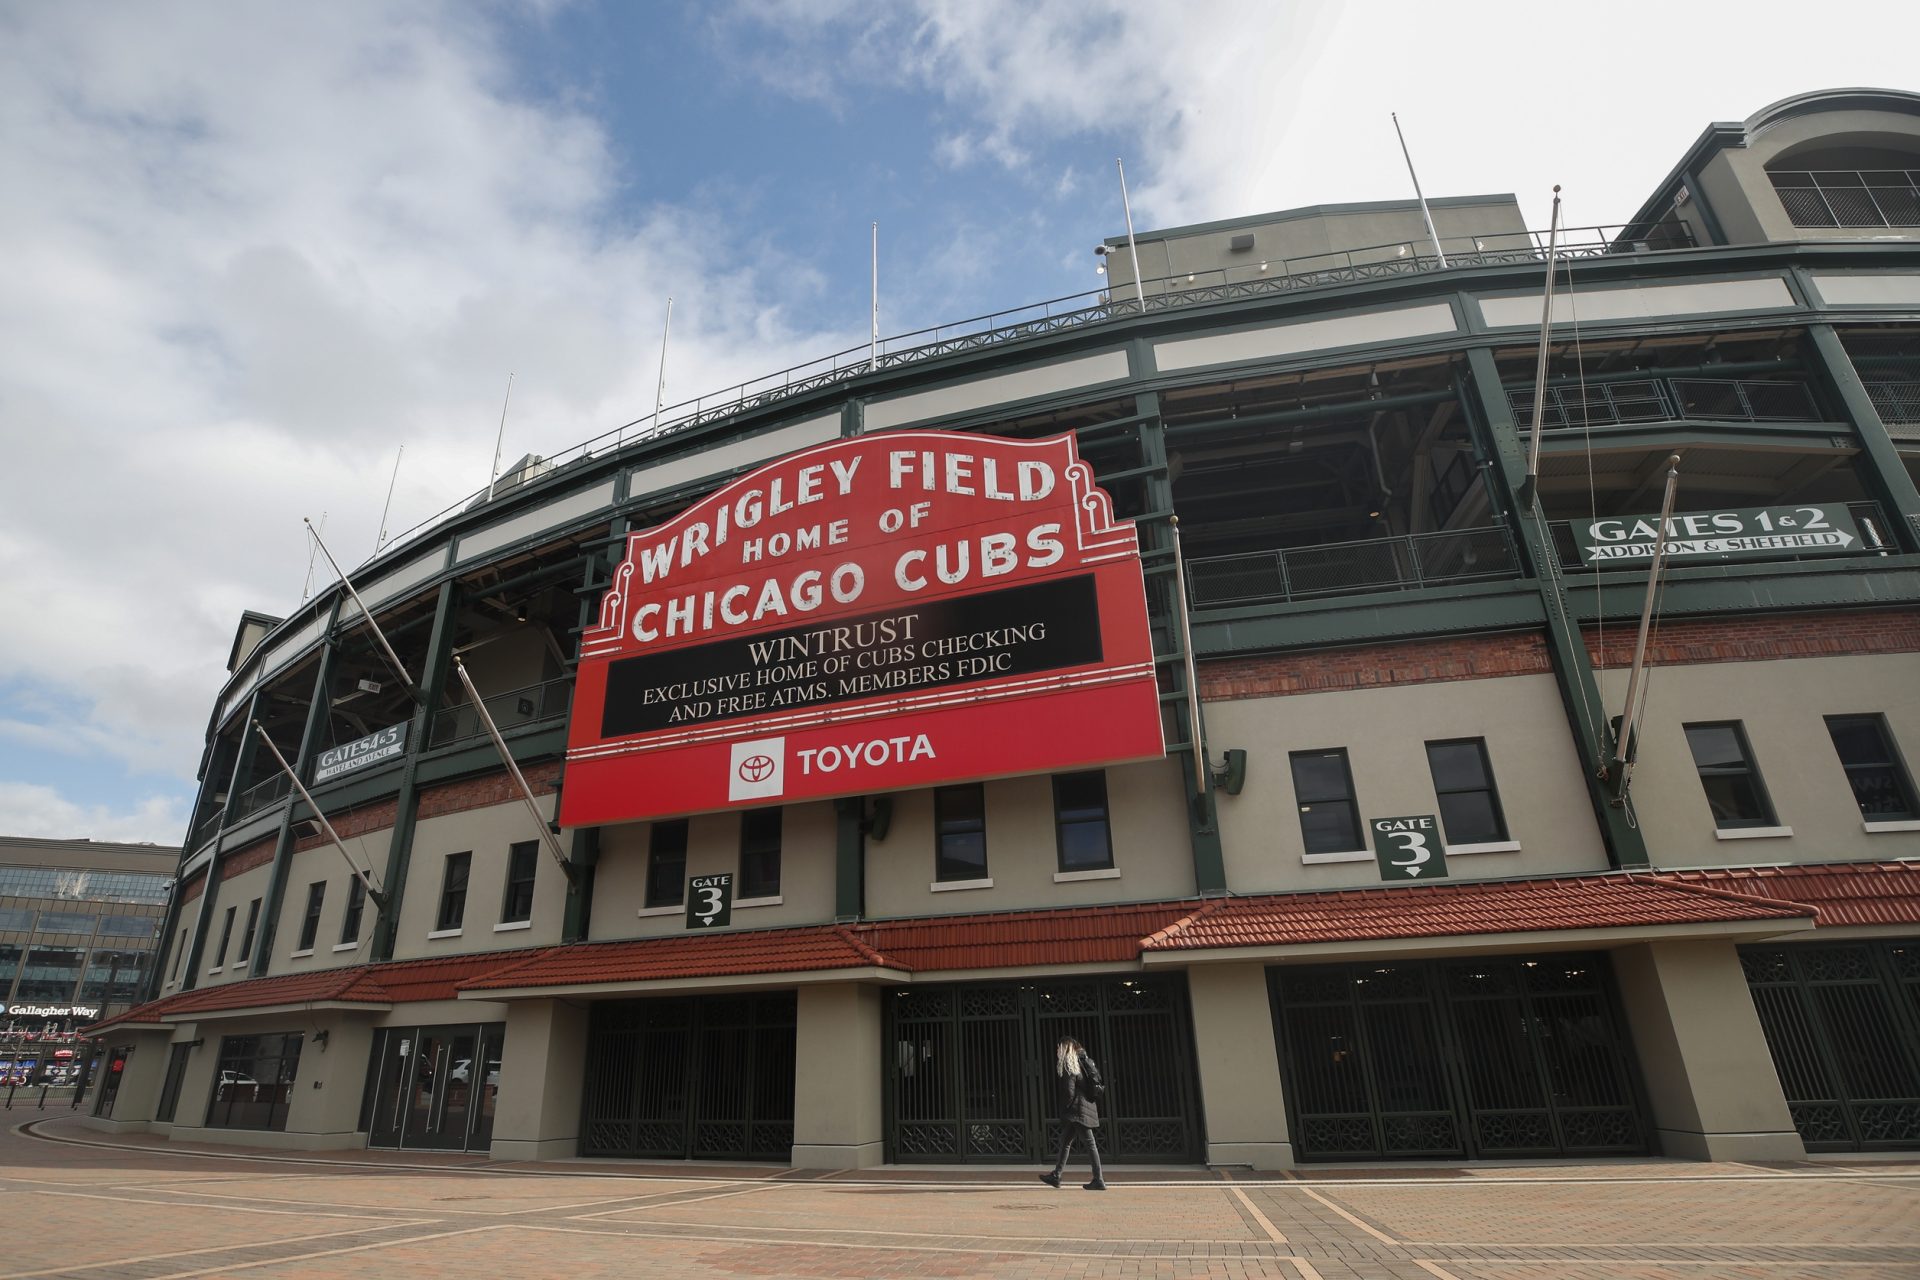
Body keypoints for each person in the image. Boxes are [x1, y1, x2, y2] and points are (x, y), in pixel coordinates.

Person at [1038, 1035, 1106, 1191]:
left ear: (1065, 1048)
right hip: (1083, 1107)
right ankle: (1056, 1175)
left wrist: (1065, 1108)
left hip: (1076, 1110)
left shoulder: (1070, 1066)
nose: (1057, 1050)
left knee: (1089, 1143)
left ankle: (1098, 1179)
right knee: (1065, 1142)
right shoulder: (1082, 1062)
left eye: (1059, 1048)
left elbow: (1069, 1091)